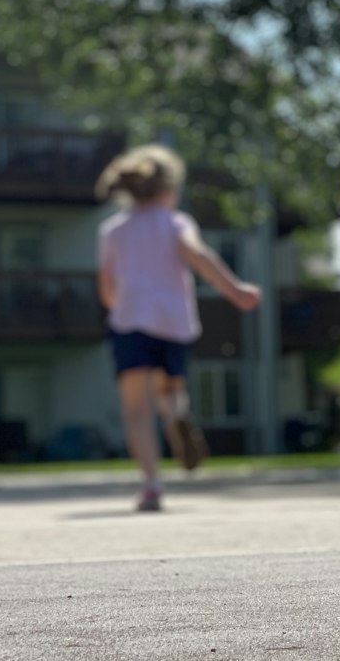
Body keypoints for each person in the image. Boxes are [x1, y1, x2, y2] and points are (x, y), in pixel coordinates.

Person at [96, 144, 261, 511]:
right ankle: (176, 415)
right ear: (169, 190)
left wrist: (116, 303)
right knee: (169, 392)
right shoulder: (177, 224)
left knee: (137, 411)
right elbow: (200, 258)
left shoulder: (113, 231)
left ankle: (152, 485)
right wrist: (236, 290)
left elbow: (106, 287)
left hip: (130, 323)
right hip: (173, 323)